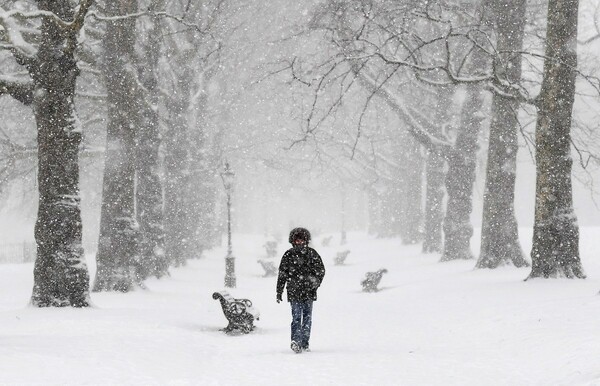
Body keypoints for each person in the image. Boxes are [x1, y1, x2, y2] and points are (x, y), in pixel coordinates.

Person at [276, 227, 326, 353]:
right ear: (292, 241)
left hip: (309, 292)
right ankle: (295, 341)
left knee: (307, 318)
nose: (299, 242)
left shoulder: (312, 254)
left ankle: (304, 343)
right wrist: (279, 291)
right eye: (296, 240)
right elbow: (282, 274)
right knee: (296, 317)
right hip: (294, 292)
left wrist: (315, 282)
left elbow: (321, 270)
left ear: (306, 240)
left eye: (301, 240)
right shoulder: (288, 255)